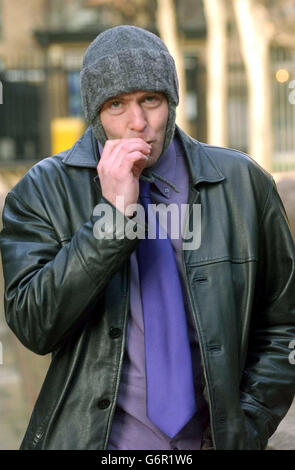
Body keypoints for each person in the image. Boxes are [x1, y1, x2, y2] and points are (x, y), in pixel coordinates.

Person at [0, 25, 295, 451]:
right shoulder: (42, 191)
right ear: (95, 112)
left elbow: (284, 323)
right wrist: (113, 219)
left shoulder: (242, 183)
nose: (137, 123)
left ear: (171, 101)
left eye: (150, 100)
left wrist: (246, 427)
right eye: (116, 104)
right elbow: (33, 325)